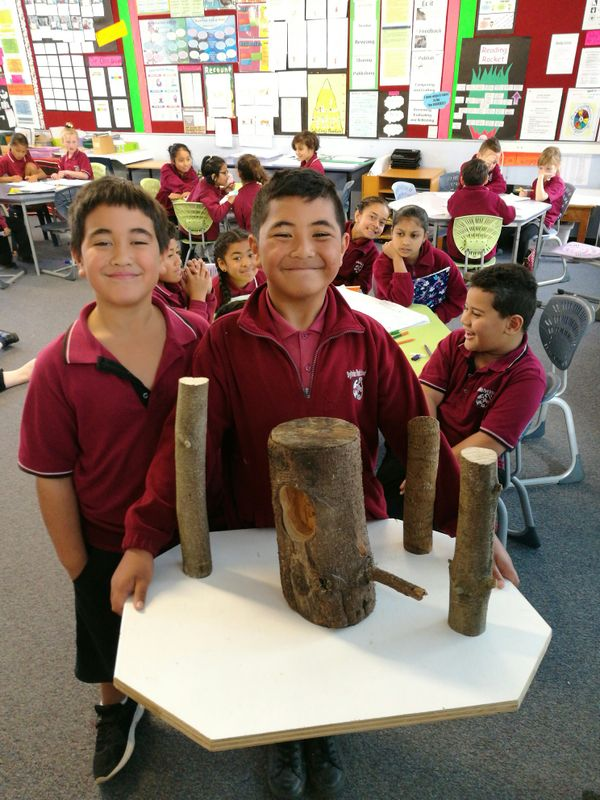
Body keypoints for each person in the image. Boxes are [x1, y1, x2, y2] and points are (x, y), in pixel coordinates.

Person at [112, 169, 518, 800]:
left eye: (321, 232)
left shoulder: (369, 338)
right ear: (253, 244)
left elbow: (420, 439)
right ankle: (280, 734)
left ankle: (323, 729)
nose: (304, 249)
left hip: (352, 530)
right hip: (257, 529)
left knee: (337, 643)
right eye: (283, 233)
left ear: (346, 241)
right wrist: (143, 538)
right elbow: (184, 447)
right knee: (273, 645)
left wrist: (470, 527)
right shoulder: (224, 342)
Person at [18, 177, 208, 785]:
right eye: (102, 241)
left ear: (165, 254)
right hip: (103, 538)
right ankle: (115, 709)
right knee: (107, 639)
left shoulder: (198, 340)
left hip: (194, 530)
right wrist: (77, 566)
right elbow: (52, 475)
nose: (122, 256)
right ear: (77, 257)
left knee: (198, 628)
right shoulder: (58, 365)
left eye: (139, 240)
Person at [378, 264, 546, 552]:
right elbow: (427, 397)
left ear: (513, 324)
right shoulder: (455, 342)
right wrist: (425, 456)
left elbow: (487, 443)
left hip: (470, 465)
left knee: (437, 545)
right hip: (428, 449)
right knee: (380, 514)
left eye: (476, 314)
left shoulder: (527, 377)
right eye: (466, 308)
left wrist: (433, 469)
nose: (464, 319)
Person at [374, 206, 467, 323]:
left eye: (414, 235)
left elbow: (459, 296)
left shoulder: (441, 261)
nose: (405, 242)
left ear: (424, 237)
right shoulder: (383, 263)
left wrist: (438, 316)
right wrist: (397, 259)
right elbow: (402, 301)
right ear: (392, 232)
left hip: (432, 322)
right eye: (400, 234)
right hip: (394, 324)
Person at [446, 158, 516, 264]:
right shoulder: (494, 199)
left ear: (462, 180)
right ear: (486, 180)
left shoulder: (456, 198)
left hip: (458, 254)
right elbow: (508, 218)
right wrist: (513, 209)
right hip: (485, 254)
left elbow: (451, 210)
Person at [152, 223, 215, 325]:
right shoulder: (152, 301)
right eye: (170, 255)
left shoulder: (177, 285)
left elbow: (207, 326)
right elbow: (194, 332)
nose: (179, 261)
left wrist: (206, 292)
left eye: (178, 252)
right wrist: (198, 297)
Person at [0, 132, 47, 262]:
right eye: (18, 151)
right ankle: (23, 252)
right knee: (17, 219)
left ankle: (23, 250)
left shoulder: (27, 157)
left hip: (29, 194)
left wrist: (35, 176)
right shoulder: (4, 160)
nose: (21, 154)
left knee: (31, 166)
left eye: (23, 151)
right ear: (11, 147)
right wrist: (10, 178)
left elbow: (43, 174)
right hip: (15, 199)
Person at [516, 146, 565, 268]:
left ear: (557, 166)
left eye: (548, 169)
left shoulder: (558, 183)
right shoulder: (538, 182)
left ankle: (519, 266)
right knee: (510, 229)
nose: (543, 171)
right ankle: (523, 258)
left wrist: (540, 177)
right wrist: (527, 194)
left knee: (524, 236)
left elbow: (540, 197)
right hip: (532, 217)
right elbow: (534, 198)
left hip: (544, 222)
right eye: (541, 168)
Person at [333, 195, 389, 294]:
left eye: (382, 222)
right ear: (358, 216)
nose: (376, 225)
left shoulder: (372, 255)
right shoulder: (335, 230)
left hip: (341, 295)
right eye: (372, 217)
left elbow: (361, 287)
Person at [208, 227, 265, 319]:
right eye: (237, 258)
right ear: (222, 264)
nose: (246, 263)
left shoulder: (267, 280)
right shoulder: (213, 290)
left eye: (250, 255)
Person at [186, 154, 236, 242]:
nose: (228, 175)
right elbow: (217, 216)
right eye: (224, 173)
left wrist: (224, 191)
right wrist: (229, 201)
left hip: (190, 227)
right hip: (200, 232)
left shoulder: (205, 183)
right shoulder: (207, 192)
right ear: (214, 177)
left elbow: (213, 199)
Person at [156, 143, 199, 221]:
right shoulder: (166, 169)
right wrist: (185, 193)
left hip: (185, 210)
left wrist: (180, 195)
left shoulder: (191, 172)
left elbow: (195, 188)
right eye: (181, 160)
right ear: (173, 161)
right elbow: (176, 184)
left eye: (188, 159)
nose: (186, 164)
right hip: (165, 210)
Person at [232, 153, 269, 231]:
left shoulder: (238, 198)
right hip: (269, 234)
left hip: (252, 236)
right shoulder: (267, 190)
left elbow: (242, 227)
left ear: (239, 173)